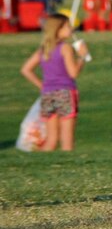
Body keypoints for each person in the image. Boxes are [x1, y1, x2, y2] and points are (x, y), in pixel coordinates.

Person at [21, 14, 84, 151]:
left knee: (51, 139)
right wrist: (81, 57)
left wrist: (42, 85)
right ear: (58, 29)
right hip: (65, 93)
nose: (70, 29)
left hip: (48, 95)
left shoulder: (44, 49)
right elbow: (73, 73)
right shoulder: (65, 48)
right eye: (67, 26)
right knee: (67, 140)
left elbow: (26, 69)